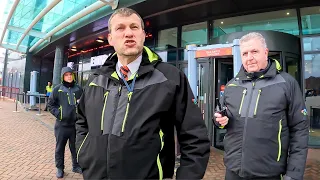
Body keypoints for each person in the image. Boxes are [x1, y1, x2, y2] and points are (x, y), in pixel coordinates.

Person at [76, 7, 210, 180]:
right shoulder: (96, 80)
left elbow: (194, 136)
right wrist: (84, 154)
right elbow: (81, 121)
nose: (128, 33)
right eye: (120, 28)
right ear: (110, 38)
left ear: (143, 34)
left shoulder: (169, 77)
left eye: (134, 27)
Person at [213, 32, 309, 180]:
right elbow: (223, 116)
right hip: (233, 170)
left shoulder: (286, 83)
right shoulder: (232, 85)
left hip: (269, 173)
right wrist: (219, 120)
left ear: (266, 52)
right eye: (245, 53)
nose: (249, 58)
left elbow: (299, 130)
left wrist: (294, 174)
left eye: (254, 51)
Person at [48, 67, 83, 178]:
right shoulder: (57, 89)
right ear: (63, 77)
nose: (69, 76)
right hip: (61, 126)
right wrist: (59, 114)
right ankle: (60, 168)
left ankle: (76, 166)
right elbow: (50, 105)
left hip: (75, 125)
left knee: (75, 147)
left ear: (73, 76)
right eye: (66, 75)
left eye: (70, 74)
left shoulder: (79, 89)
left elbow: (84, 105)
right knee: (60, 148)